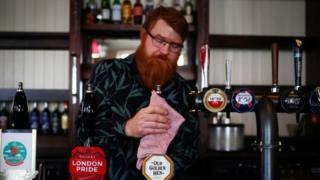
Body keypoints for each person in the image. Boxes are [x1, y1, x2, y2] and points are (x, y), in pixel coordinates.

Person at [76, 6, 199, 179]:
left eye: (174, 46)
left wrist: (164, 171)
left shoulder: (185, 91)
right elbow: (83, 130)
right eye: (159, 40)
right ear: (143, 35)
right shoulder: (108, 72)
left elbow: (190, 151)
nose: (165, 51)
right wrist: (127, 127)